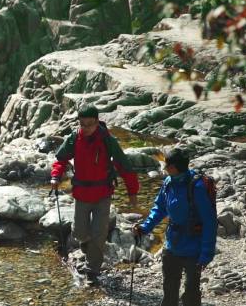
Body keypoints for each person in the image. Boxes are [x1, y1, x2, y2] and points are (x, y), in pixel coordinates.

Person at [51, 104, 140, 285]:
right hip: (82, 194)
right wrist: (55, 176)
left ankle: (93, 271)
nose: (86, 128)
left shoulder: (108, 140)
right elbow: (61, 159)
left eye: (89, 124)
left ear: (97, 121)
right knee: (79, 232)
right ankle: (87, 247)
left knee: (99, 233)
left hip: (102, 194)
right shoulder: (74, 138)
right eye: (82, 124)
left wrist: (132, 192)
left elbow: (125, 166)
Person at [133, 148, 217, 306]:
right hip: (172, 245)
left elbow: (210, 222)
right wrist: (145, 227)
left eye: (167, 166)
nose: (164, 169)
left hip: (194, 248)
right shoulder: (169, 182)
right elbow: (159, 208)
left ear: (175, 167)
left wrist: (207, 253)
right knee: (169, 288)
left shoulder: (197, 187)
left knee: (191, 292)